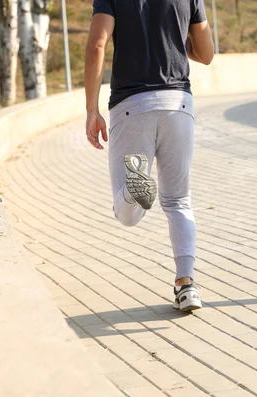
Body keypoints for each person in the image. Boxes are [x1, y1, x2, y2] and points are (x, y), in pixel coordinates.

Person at [84, 0, 214, 310]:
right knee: (179, 201)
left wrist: (92, 109)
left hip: (132, 106)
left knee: (128, 213)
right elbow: (206, 54)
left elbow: (97, 45)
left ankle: (136, 188)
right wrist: (172, 38)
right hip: (178, 104)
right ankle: (187, 285)